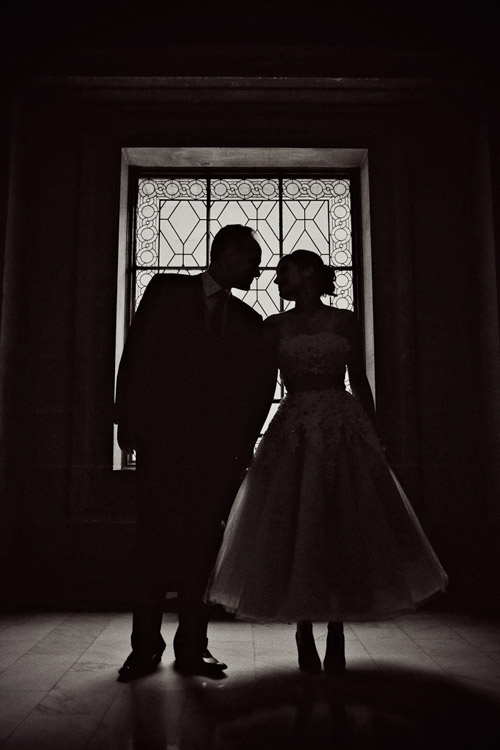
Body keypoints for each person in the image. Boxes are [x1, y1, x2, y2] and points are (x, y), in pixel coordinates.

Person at [206, 249, 448, 673]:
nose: (277, 280)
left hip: (343, 427)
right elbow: (263, 389)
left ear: (308, 273)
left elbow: (360, 380)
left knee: (341, 525)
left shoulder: (345, 320)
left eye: (284, 273)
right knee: (298, 524)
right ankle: (303, 627)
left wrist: (373, 434)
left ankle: (336, 627)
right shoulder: (274, 326)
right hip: (295, 430)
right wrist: (249, 441)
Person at [114, 224, 277, 681]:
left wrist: (244, 444)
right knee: (151, 543)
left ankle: (193, 647)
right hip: (161, 442)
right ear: (227, 255)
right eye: (252, 259)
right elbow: (137, 352)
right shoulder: (165, 289)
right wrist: (126, 420)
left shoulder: (249, 321)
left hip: (216, 453)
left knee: (203, 546)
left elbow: (257, 390)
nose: (258, 270)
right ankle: (143, 648)